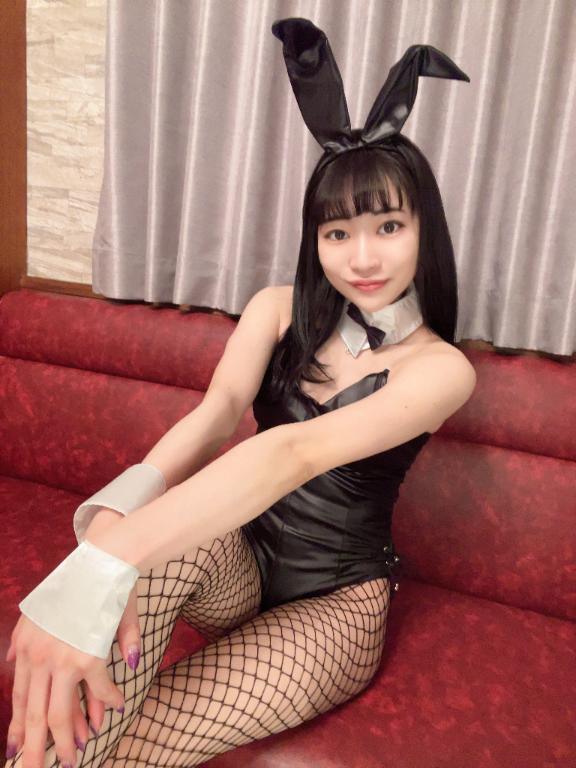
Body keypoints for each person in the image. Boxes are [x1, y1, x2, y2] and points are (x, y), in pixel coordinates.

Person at [4, 18, 476, 768]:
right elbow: (216, 414)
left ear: (426, 231)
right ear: (314, 241)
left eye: (388, 226)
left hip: (334, 610)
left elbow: (295, 452)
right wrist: (106, 534)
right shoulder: (275, 309)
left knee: (124, 743)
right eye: (337, 234)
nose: (362, 258)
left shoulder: (442, 369)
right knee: (135, 570)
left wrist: (100, 564)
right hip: (240, 565)